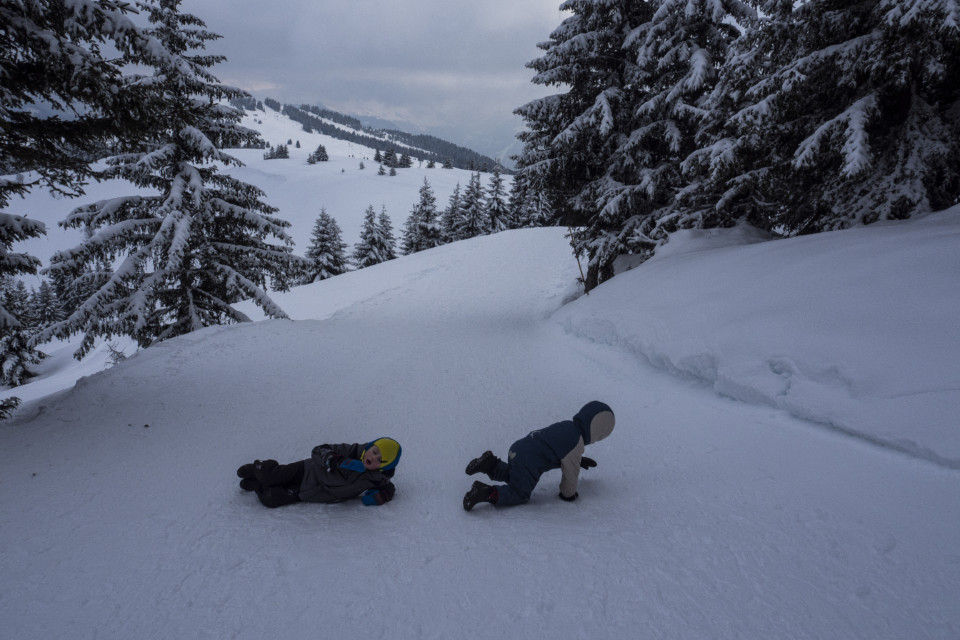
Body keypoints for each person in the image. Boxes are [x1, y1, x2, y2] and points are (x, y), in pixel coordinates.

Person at [462, 401, 614, 511]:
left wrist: (579, 460)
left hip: (519, 448)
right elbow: (570, 472)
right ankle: (484, 492)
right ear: (597, 432)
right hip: (529, 461)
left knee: (516, 475)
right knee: (520, 493)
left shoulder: (568, 426)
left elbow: (557, 449)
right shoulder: (576, 442)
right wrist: (568, 494)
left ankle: (490, 464)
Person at [237, 438, 401, 508]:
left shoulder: (376, 478)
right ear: (369, 446)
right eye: (374, 451)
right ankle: (258, 468)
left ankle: (257, 484)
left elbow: (389, 488)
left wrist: (379, 497)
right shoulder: (352, 451)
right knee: (271, 476)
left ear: (383, 467)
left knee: (271, 499)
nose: (372, 457)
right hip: (306, 471)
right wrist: (334, 459)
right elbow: (318, 450)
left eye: (379, 459)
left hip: (311, 493)